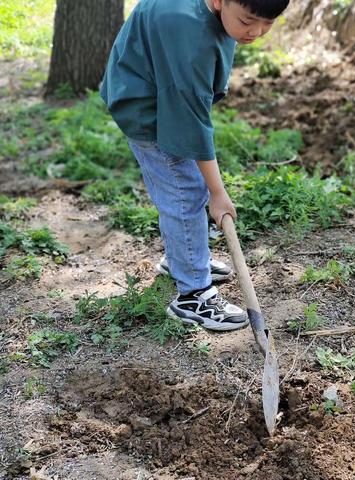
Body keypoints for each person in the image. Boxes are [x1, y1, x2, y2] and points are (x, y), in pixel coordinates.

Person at [100, 0, 289, 332]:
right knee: (185, 191)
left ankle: (184, 259)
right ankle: (193, 294)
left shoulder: (209, 15)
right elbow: (191, 124)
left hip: (156, 86)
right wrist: (217, 193)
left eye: (267, 24)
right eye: (248, 21)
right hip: (147, 106)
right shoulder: (187, 34)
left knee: (184, 185)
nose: (256, 32)